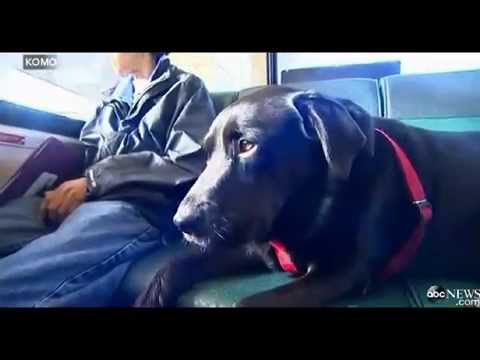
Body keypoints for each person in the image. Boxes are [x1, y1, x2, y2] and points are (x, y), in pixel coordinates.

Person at [0, 52, 216, 306]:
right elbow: (89, 150)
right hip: (86, 198)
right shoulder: (111, 98)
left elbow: (187, 163)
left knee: (27, 272)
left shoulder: (186, 88)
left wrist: (94, 181)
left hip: (137, 206)